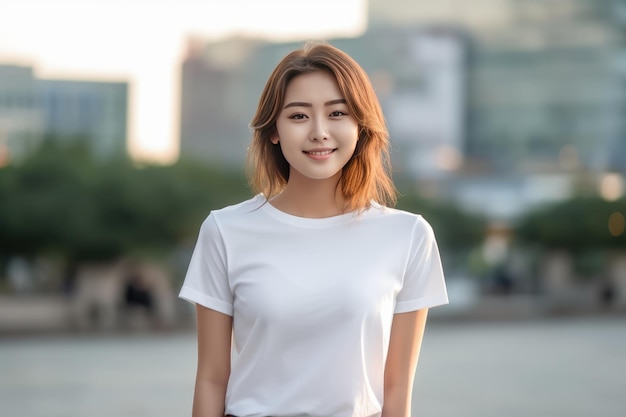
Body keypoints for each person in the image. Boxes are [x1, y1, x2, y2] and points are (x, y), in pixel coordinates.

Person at [179, 41, 448, 417]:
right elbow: (210, 378)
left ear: (360, 125)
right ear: (273, 130)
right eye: (299, 116)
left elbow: (397, 386)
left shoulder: (408, 236)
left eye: (337, 113)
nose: (320, 132)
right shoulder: (226, 231)